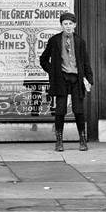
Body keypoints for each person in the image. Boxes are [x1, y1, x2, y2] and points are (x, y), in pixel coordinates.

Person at [40, 11, 93, 151]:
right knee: (60, 110)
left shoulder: (80, 41)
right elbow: (43, 59)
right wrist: (53, 71)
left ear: (75, 25)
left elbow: (85, 61)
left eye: (70, 24)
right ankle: (59, 142)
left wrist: (89, 78)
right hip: (61, 78)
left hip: (76, 78)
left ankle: (82, 141)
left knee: (78, 110)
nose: (68, 26)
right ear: (61, 26)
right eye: (65, 24)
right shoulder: (54, 40)